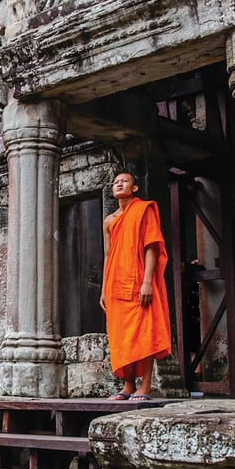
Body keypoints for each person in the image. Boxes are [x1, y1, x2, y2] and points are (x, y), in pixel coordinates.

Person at [101, 170, 172, 400]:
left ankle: (146, 386)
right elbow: (108, 255)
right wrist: (103, 289)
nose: (119, 184)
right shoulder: (109, 221)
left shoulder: (144, 210)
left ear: (135, 188)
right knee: (121, 335)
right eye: (116, 182)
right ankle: (128, 385)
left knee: (144, 332)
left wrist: (147, 282)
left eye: (125, 181)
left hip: (140, 278)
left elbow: (152, 246)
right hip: (116, 282)